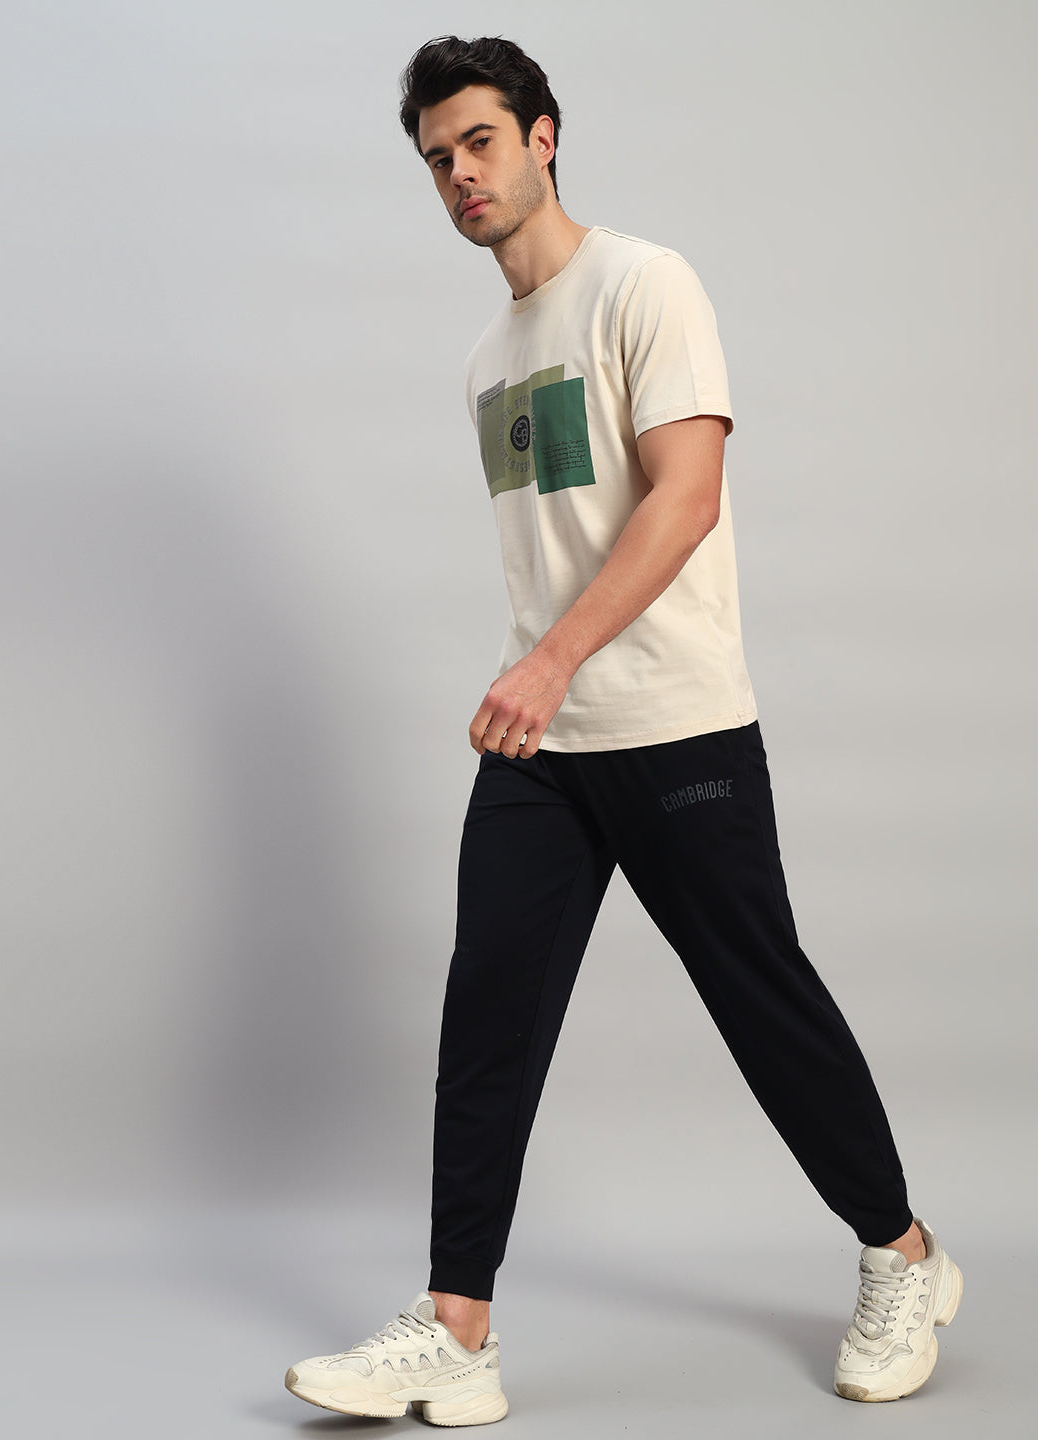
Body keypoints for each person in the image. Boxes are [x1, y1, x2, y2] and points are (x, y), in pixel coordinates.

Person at [284, 35, 963, 1426]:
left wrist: (550, 663)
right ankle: (457, 1332)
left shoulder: (646, 284)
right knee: (488, 1017)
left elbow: (684, 496)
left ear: (544, 135)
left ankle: (904, 1255)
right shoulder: (487, 356)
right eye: (436, 159)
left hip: (676, 724)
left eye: (480, 142)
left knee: (760, 1000)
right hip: (543, 743)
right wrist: (538, 680)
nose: (460, 175)